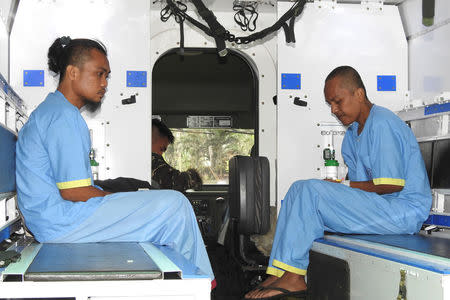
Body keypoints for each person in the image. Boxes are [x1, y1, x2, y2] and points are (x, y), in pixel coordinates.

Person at [15, 36, 215, 287]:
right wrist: (116, 198)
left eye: (107, 76)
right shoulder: (63, 117)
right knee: (175, 204)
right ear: (73, 72)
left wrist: (120, 198)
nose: (104, 83)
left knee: (151, 204)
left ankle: (180, 281)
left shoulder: (53, 111)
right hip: (61, 222)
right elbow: (75, 192)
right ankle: (200, 284)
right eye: (99, 74)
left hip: (52, 219)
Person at [245, 66, 431, 299]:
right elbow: (362, 190)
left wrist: (340, 188)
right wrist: (339, 189)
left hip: (403, 212)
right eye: (330, 104)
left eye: (337, 101)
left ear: (359, 95)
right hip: (382, 208)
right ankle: (279, 271)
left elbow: (391, 185)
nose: (334, 110)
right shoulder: (352, 135)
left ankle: (294, 277)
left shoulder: (382, 123)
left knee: (311, 191)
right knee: (298, 189)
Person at [151, 118, 203, 191]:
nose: (161, 154)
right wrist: (194, 175)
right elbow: (176, 182)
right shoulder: (151, 161)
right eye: (162, 149)